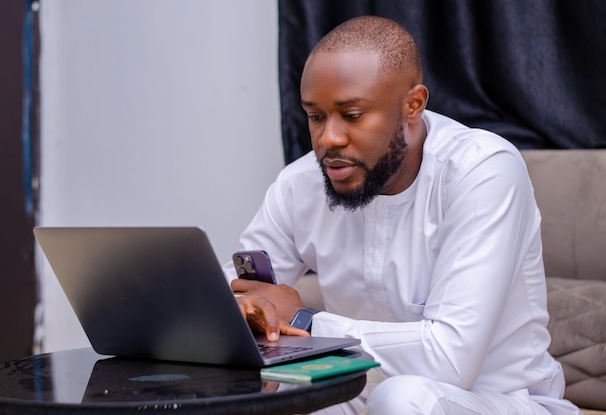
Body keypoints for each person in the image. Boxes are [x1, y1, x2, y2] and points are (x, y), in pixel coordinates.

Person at [223, 15, 580, 415]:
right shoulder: (301, 182)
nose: (329, 139)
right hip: (362, 389)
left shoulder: (481, 170)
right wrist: (236, 308)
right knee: (272, 394)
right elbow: (237, 284)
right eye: (316, 116)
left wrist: (306, 321)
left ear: (413, 105)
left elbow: (449, 360)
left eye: (352, 115)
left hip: (496, 401)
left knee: (403, 399)